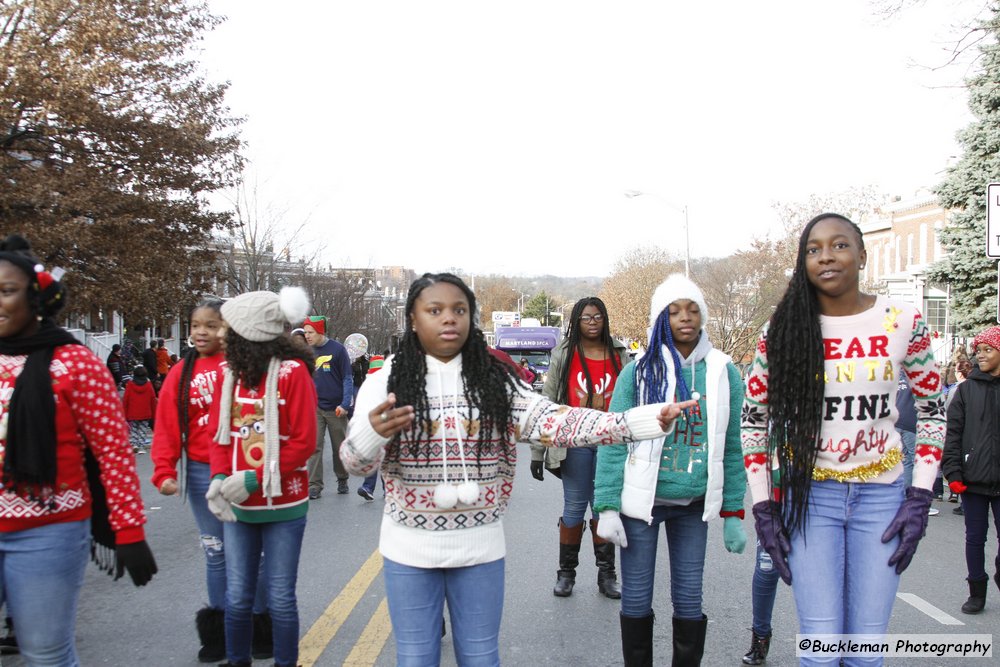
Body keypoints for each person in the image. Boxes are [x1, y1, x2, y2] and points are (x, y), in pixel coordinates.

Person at [339, 272, 694, 667]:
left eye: (459, 309)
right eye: (434, 310)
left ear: (471, 318)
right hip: (407, 551)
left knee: (480, 657)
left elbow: (559, 421)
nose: (449, 319)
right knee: (417, 657)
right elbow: (356, 464)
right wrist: (372, 434)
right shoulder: (384, 381)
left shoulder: (496, 382)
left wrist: (637, 422)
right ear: (413, 319)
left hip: (480, 549)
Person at [741, 213, 945, 667]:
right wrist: (763, 506)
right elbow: (753, 421)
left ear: (862, 255)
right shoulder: (782, 330)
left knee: (867, 648)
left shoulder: (903, 319)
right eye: (813, 249)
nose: (826, 256)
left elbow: (932, 410)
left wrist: (920, 493)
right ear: (803, 262)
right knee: (821, 644)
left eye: (839, 245)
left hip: (884, 500)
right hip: (809, 498)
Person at [0, 234, 157, 665]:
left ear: (35, 298)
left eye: (7, 291)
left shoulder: (77, 364)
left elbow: (113, 453)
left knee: (46, 652)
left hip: (48, 532)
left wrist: (129, 531)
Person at [593, 275, 748, 666]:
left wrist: (733, 511)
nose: (685, 318)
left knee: (690, 599)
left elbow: (733, 445)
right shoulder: (638, 373)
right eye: (674, 310)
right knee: (637, 597)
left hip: (694, 504)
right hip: (643, 505)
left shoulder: (723, 372)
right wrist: (607, 506)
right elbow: (614, 438)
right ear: (660, 318)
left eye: (693, 309)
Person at [150, 298, 271, 663]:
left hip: (245, 470)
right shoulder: (179, 373)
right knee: (215, 553)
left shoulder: (247, 364)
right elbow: (167, 426)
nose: (201, 332)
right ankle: (219, 632)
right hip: (202, 470)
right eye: (195, 325)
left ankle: (261, 627)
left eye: (211, 325)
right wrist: (163, 471)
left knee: (253, 555)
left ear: (230, 328)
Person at [207, 286, 316, 667]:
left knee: (281, 597)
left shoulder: (294, 373)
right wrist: (219, 479)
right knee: (237, 595)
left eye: (229, 328)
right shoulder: (229, 375)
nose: (221, 335)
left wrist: (252, 479)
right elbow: (220, 436)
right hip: (239, 505)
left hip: (285, 504)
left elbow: (303, 443)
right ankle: (238, 661)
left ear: (249, 333)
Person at [534, 296, 629, 600]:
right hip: (573, 442)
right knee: (574, 507)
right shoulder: (564, 353)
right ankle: (566, 574)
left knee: (605, 506)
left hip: (610, 443)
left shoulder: (620, 354)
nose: (592, 322)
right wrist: (538, 452)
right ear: (576, 321)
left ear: (605, 319)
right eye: (585, 318)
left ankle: (607, 574)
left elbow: (632, 399)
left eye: (597, 316)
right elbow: (546, 404)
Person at [941, 326, 1000, 615]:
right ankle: (976, 590)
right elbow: (952, 434)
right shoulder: (965, 390)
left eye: (988, 350)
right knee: (975, 538)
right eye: (979, 351)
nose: (981, 355)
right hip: (972, 481)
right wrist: (953, 473)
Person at [303, 316, 354, 498]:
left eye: (310, 332)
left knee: (338, 446)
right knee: (314, 447)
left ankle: (342, 478)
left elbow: (347, 378)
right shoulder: (306, 351)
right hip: (314, 407)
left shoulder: (338, 350)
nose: (307, 335)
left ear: (320, 331)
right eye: (305, 332)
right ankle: (314, 485)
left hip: (336, 408)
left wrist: (345, 403)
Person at [945, 358, 973, 512]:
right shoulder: (967, 388)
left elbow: (949, 412)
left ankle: (955, 495)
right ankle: (958, 498)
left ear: (961, 374)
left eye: (956, 371)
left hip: (963, 438)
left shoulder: (958, 390)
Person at [123, 365, 157, 454]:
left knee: (134, 428)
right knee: (143, 429)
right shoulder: (149, 385)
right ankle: (141, 446)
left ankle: (134, 444)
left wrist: (124, 411)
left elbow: (126, 399)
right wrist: (154, 413)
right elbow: (152, 399)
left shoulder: (130, 384)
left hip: (132, 411)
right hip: (145, 412)